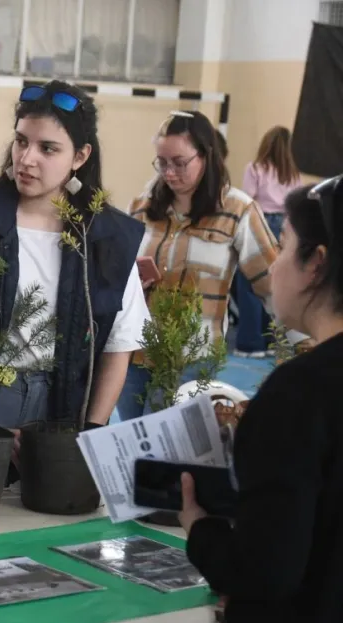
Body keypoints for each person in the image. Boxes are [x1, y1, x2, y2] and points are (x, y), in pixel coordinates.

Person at [0, 81, 149, 459]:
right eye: (21, 141)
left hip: (65, 406)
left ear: (80, 156)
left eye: (47, 148)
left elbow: (120, 345)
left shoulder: (107, 237)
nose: (26, 158)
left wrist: (90, 434)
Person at [180, 175, 343, 623]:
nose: (272, 271)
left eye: (284, 247)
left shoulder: (300, 394)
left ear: (316, 263)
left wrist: (200, 528)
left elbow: (266, 569)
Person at [117, 111, 280, 420]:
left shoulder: (238, 210)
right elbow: (116, 275)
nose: (169, 172)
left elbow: (274, 284)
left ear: (206, 155)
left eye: (179, 163)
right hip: (133, 354)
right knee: (132, 443)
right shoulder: (141, 207)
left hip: (192, 359)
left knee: (171, 452)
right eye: (161, 162)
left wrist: (304, 350)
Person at [234, 125, 302, 357]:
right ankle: (271, 342)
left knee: (250, 284)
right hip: (285, 225)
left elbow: (247, 200)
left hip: (260, 223)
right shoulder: (293, 174)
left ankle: (250, 344)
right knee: (273, 285)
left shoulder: (255, 168)